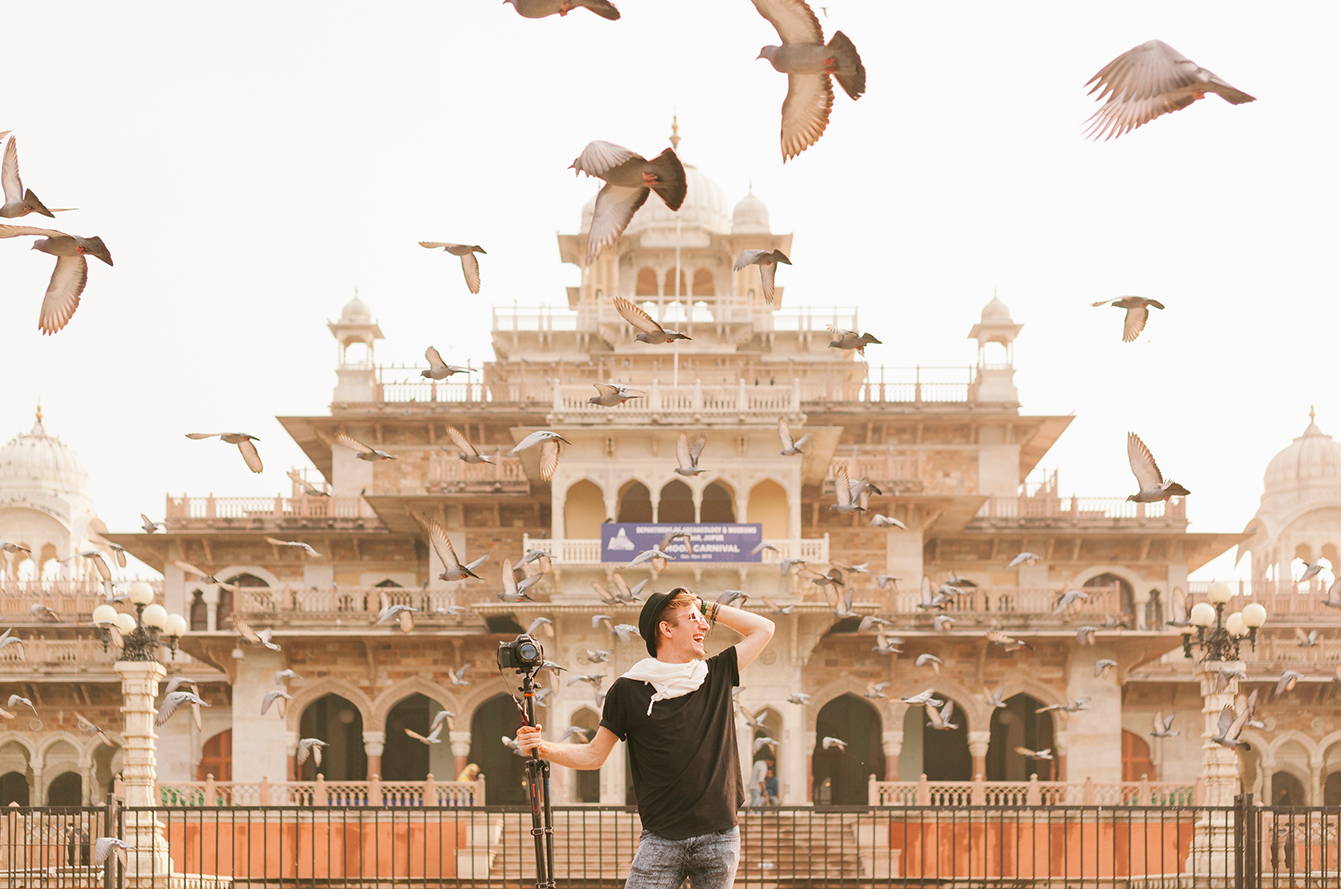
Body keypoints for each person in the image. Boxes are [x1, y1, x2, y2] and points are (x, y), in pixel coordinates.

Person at [515, 587, 774, 889]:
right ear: (666, 629)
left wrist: (702, 605)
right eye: (693, 619)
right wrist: (542, 747)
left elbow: (764, 628)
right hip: (662, 839)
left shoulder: (713, 675)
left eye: (702, 619)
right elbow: (593, 755)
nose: (704, 625)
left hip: (719, 836)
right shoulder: (628, 690)